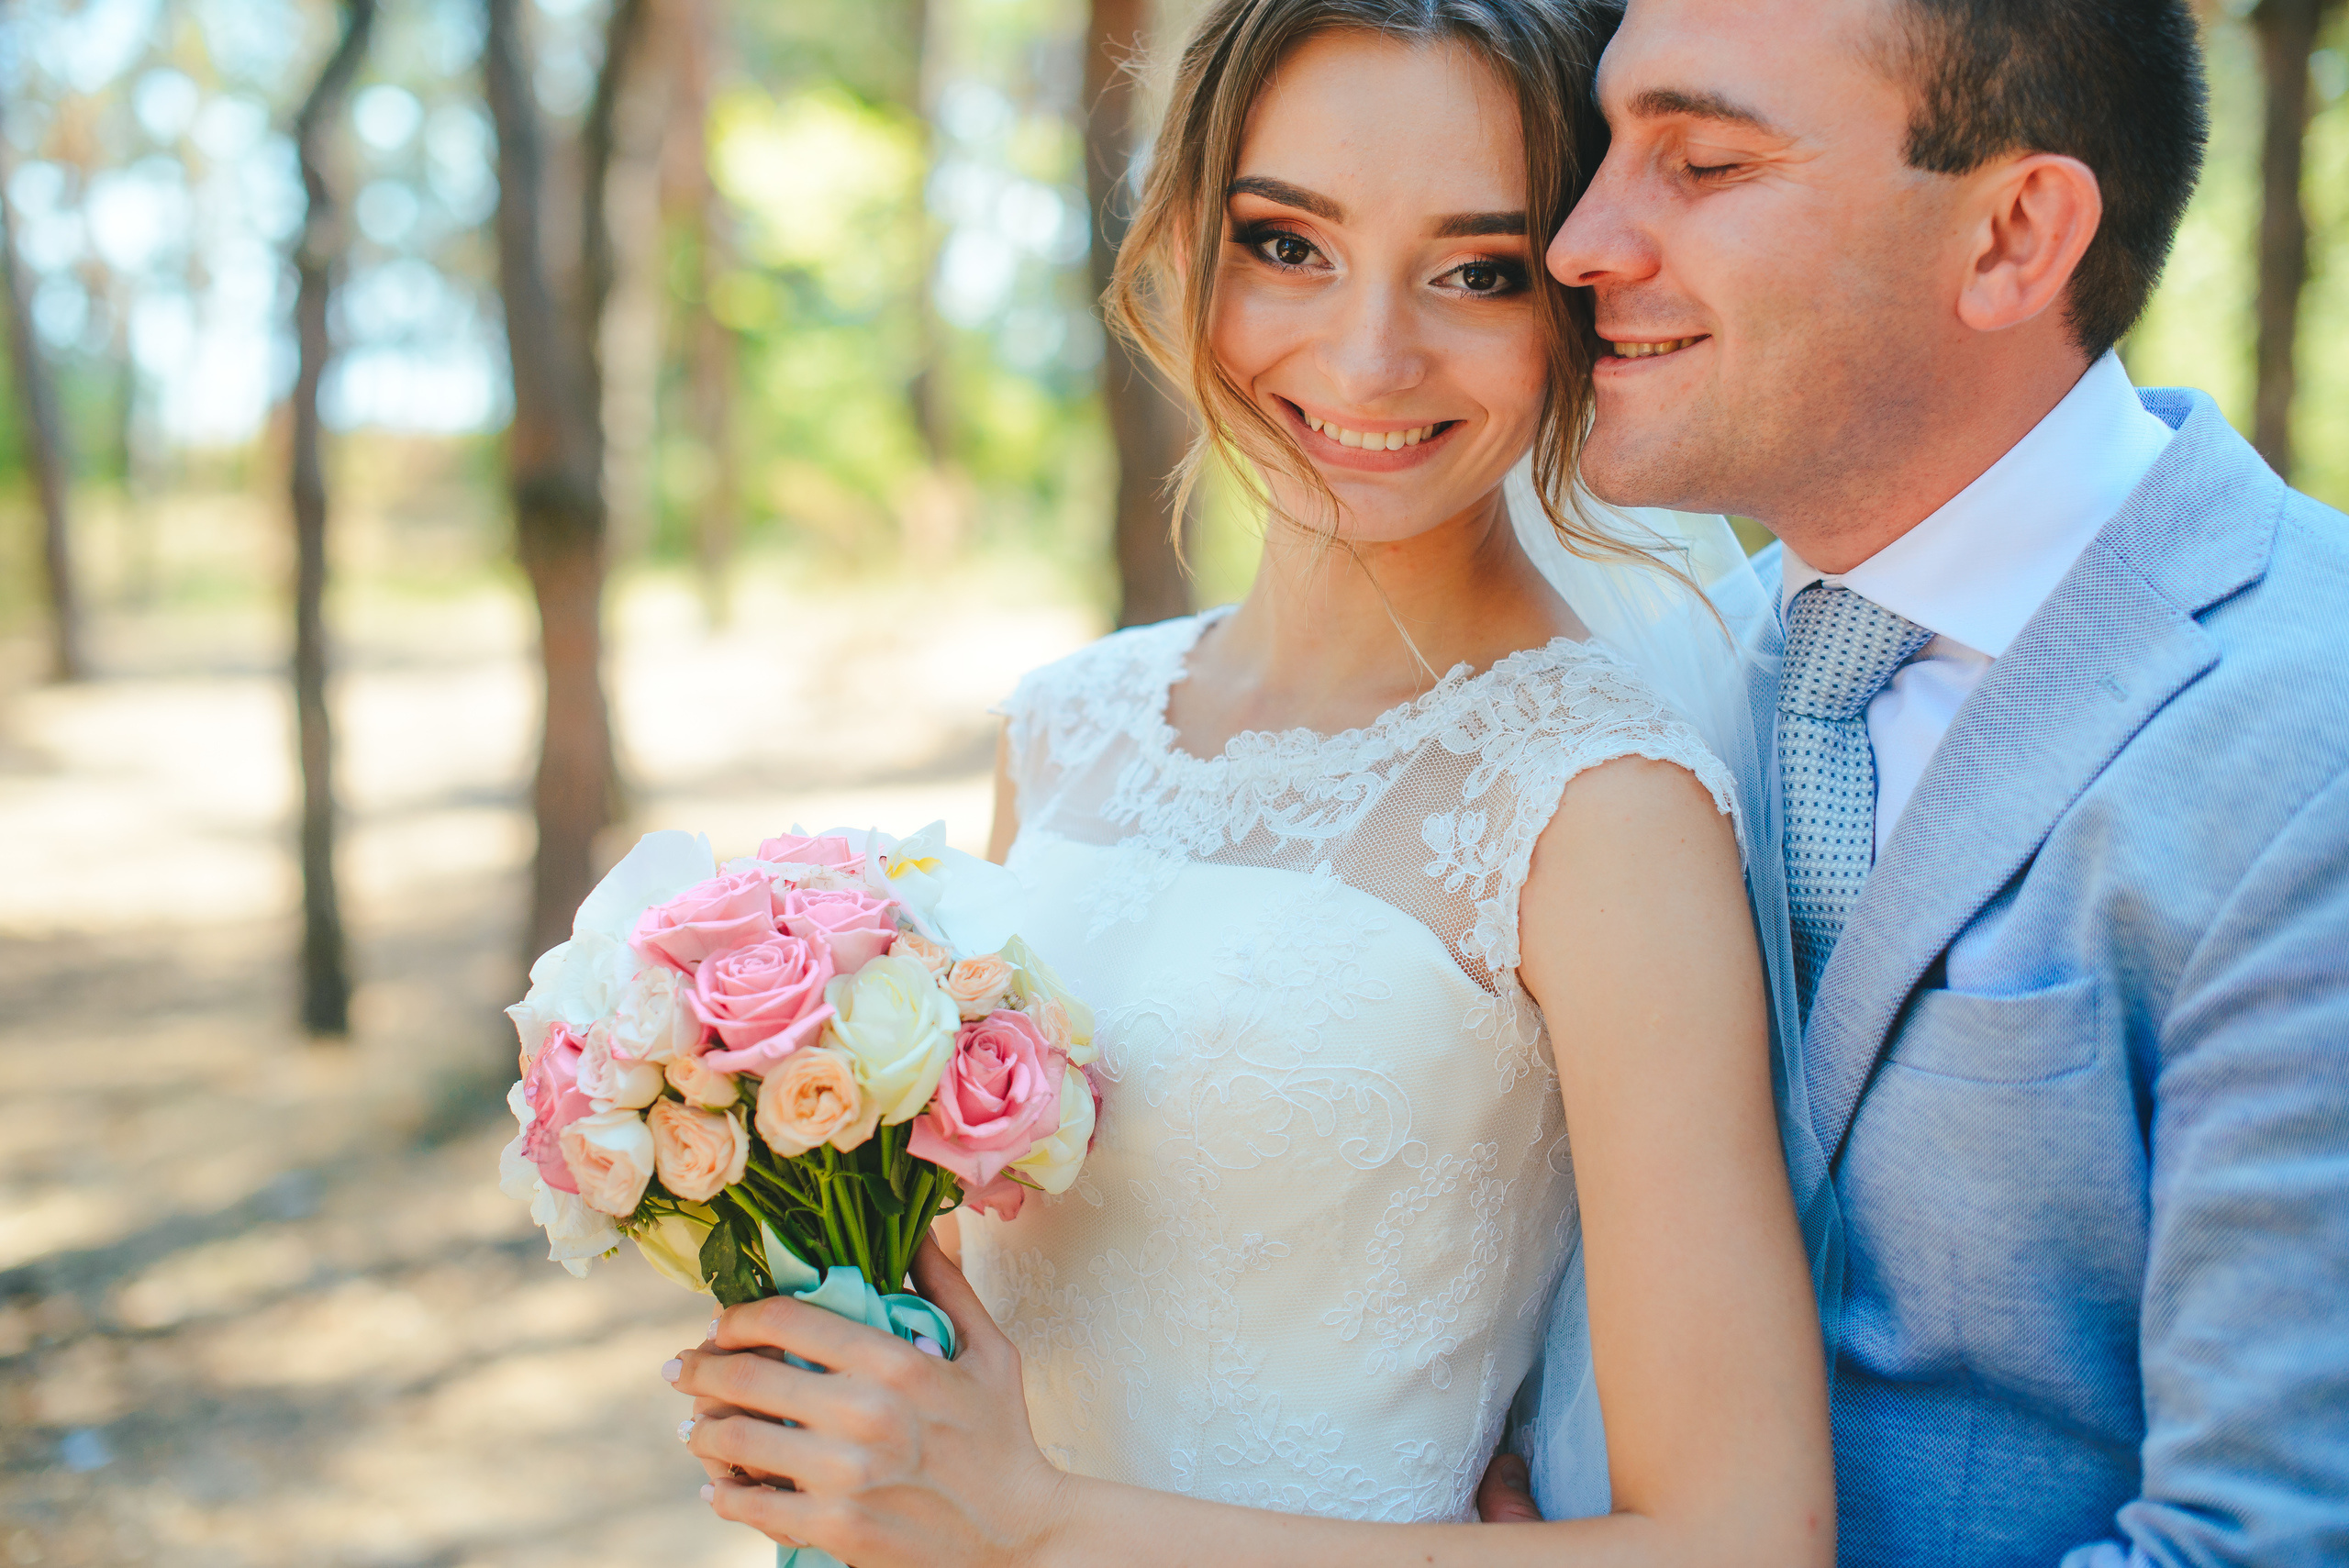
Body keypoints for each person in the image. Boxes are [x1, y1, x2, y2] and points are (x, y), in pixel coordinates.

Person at [662, 0, 1844, 1562]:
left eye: (1476, 270)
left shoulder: (1599, 806)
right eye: (1289, 243)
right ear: (1185, 239)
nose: (1367, 355)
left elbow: (1740, 1539)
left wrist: (1037, 1526)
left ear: (1573, 303)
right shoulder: (1070, 725)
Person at [1466, 1, 2349, 1562]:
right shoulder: (1645, 689)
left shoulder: (2311, 738)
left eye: (1705, 160)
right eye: (1607, 150)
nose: (1583, 239)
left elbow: (2262, 1540)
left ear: (2014, 234)